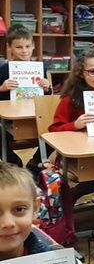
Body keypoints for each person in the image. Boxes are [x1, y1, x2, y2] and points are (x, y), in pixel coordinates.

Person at [0, 25, 51, 169]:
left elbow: (48, 98)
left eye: (28, 46)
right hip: (9, 120)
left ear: (33, 46)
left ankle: (36, 161)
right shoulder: (3, 70)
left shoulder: (40, 69)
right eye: (19, 47)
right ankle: (12, 161)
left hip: (35, 116)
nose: (24, 51)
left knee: (55, 128)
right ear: (9, 47)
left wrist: (47, 88)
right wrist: (2, 88)